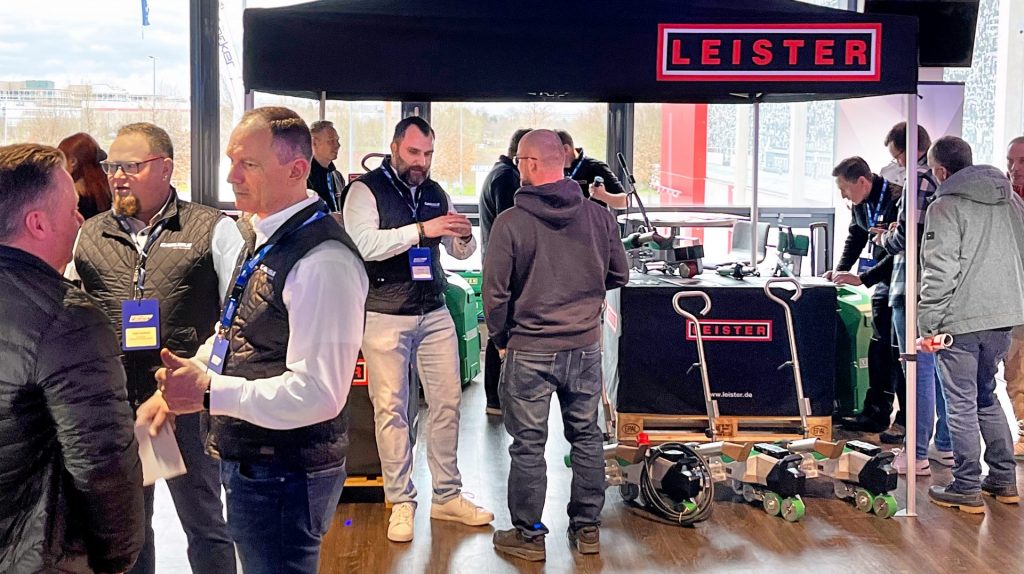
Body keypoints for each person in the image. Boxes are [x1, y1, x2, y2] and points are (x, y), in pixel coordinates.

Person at [156, 107, 367, 573]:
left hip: (286, 473)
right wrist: (190, 374)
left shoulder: (323, 260)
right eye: (231, 161)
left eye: (247, 164)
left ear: (297, 170)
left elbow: (320, 394)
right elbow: (239, 330)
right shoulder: (263, 234)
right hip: (255, 461)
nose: (231, 176)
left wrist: (209, 391)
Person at [68, 122, 241, 574]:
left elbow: (236, 319)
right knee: (129, 530)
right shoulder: (88, 235)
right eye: (112, 166)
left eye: (131, 166)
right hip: (114, 406)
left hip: (184, 404)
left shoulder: (213, 230)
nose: (118, 176)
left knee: (205, 523)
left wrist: (202, 381)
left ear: (165, 168)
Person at [342, 116, 493, 543]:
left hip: (434, 310)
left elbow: (457, 251)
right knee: (392, 410)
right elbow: (364, 245)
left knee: (447, 405)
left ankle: (447, 495)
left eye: (428, 154)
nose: (421, 162)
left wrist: (463, 236)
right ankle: (401, 501)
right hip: (384, 314)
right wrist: (421, 230)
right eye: (413, 153)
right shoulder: (365, 190)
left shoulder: (434, 191)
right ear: (394, 147)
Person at [484, 129, 629, 561]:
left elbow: (494, 294)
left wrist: (503, 340)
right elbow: (618, 275)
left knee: (528, 444)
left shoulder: (511, 223)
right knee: (586, 438)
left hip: (528, 348)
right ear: (562, 163)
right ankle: (587, 530)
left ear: (528, 165)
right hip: (585, 347)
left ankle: (529, 537)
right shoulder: (600, 216)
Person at [0, 143, 144, 573]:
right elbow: (102, 465)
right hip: (38, 555)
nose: (80, 219)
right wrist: (115, 559)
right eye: (70, 209)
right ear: (38, 223)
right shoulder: (68, 318)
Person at [919, 135, 1024, 513]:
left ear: (942, 170)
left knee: (960, 403)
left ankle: (965, 486)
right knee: (985, 396)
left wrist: (928, 322)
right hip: (1004, 318)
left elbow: (939, 270)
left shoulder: (945, 206)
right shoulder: (1009, 198)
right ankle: (1002, 479)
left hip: (959, 321)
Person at [877, 122, 952, 475]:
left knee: (917, 368)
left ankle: (916, 453)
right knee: (940, 370)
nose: (895, 163)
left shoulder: (917, 181)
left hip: (911, 286)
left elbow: (909, 236)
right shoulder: (946, 184)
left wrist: (883, 240)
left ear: (909, 149)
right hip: (943, 289)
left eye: (896, 155)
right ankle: (945, 446)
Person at [826, 156, 905, 439]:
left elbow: (903, 250)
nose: (843, 195)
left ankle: (905, 421)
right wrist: (840, 270)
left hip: (902, 283)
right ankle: (875, 412)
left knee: (900, 355)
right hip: (883, 286)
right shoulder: (860, 205)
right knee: (878, 350)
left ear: (862, 181)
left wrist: (863, 278)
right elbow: (856, 237)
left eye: (845, 188)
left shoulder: (897, 199)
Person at [478, 127, 531, 416]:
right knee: (501, 332)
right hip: (503, 266)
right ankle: (497, 400)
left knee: (499, 330)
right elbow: (511, 224)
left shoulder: (499, 173)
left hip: (497, 263)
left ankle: (495, 400)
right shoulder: (506, 178)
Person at [1001, 136, 1024, 458]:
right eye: (1010, 162)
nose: (1014, 170)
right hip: (1012, 303)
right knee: (1015, 371)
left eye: (1022, 163)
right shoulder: (1003, 202)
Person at [555, 129, 628, 209]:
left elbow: (625, 202)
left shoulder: (596, 167)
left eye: (551, 153)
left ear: (565, 149)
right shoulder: (549, 170)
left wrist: (603, 196)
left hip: (591, 220)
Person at [58, 132, 112, 219]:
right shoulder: (108, 186)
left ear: (73, 162)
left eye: (62, 159)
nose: (59, 165)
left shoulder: (72, 197)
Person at [308, 119, 343, 211]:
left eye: (337, 140)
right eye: (331, 141)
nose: (337, 145)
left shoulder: (337, 177)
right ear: (314, 143)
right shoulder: (303, 178)